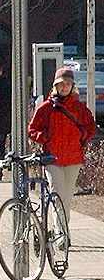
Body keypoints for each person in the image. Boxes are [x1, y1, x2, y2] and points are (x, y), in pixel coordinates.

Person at [28, 67, 96, 228]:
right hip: (53, 159)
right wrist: (44, 138)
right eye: (61, 84)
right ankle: (61, 233)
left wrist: (82, 138)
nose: (64, 87)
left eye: (68, 84)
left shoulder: (79, 108)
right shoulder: (46, 107)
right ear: (55, 86)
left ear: (72, 86)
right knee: (57, 194)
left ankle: (63, 230)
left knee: (67, 197)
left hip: (73, 158)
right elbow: (32, 129)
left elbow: (91, 127)